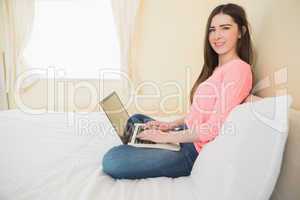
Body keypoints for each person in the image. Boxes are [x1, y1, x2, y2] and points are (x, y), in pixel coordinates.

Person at [102, 3, 253, 179]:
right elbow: (199, 114)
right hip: (185, 132)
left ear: (241, 32)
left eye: (225, 28)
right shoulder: (216, 69)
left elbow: (213, 128)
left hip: (191, 150)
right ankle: (141, 142)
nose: (216, 36)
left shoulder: (239, 69)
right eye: (212, 30)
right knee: (136, 119)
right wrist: (170, 125)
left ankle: (141, 144)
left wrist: (166, 138)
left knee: (112, 160)